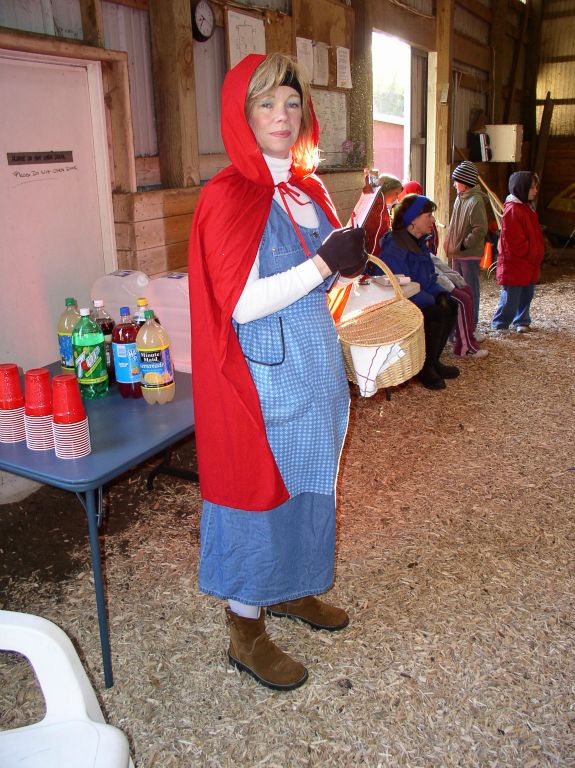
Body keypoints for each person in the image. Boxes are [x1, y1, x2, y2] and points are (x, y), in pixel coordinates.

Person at [188, 54, 367, 692]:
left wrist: (349, 261)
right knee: (261, 492)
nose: (282, 117)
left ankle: (292, 588)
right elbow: (241, 302)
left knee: (314, 481)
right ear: (243, 115)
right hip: (262, 377)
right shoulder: (227, 195)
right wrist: (324, 264)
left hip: (314, 363)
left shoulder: (308, 188)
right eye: (267, 104)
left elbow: (322, 277)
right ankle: (246, 629)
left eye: (291, 103)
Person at [371, 194, 460, 390]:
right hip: (399, 303)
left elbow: (427, 278)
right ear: (413, 220)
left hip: (417, 296)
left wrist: (439, 293)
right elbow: (395, 287)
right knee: (435, 312)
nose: (433, 220)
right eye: (428, 215)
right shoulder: (395, 249)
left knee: (450, 303)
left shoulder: (418, 243)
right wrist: (431, 299)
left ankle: (434, 359)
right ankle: (424, 367)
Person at [492, 171, 545, 332]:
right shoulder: (513, 210)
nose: (535, 191)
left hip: (528, 262)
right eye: (532, 188)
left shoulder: (527, 208)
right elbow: (515, 241)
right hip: (516, 263)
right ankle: (501, 323)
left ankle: (521, 320)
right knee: (511, 297)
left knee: (527, 294)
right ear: (522, 188)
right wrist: (531, 252)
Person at [444, 160, 489, 327]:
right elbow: (454, 224)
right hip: (457, 253)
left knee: (470, 290)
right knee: (459, 289)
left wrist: (464, 244)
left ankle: (471, 325)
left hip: (468, 255)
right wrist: (450, 243)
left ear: (465, 183)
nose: (454, 184)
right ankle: (460, 323)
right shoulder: (460, 198)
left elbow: (480, 228)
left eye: (457, 181)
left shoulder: (475, 202)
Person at [363, 173, 403, 256]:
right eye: (396, 193)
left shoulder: (373, 199)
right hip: (374, 254)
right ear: (388, 188)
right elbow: (381, 234)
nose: (397, 197)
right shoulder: (379, 205)